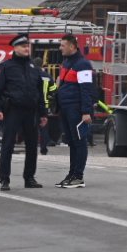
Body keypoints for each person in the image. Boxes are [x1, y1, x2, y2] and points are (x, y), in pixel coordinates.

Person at [0, 34, 46, 189]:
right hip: (13, 110)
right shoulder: (7, 67)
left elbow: (39, 92)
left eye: (28, 46)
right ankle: (5, 179)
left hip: (31, 112)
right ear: (15, 48)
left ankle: (29, 178)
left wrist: (43, 113)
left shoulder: (33, 68)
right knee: (8, 145)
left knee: (32, 146)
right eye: (23, 46)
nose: (27, 48)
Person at [53, 34, 97, 189]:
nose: (60, 48)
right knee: (72, 142)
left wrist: (86, 111)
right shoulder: (67, 62)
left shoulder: (83, 65)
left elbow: (86, 90)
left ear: (72, 46)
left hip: (76, 110)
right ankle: (71, 174)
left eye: (63, 45)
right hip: (65, 109)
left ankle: (78, 176)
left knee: (79, 142)